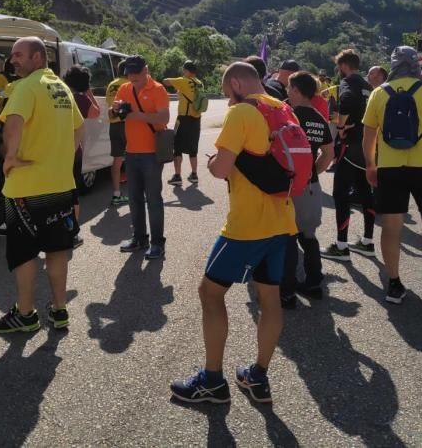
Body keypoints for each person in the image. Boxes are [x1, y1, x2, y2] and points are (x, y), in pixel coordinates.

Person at [170, 62, 296, 405]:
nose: (227, 101)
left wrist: (212, 162)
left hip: (246, 227)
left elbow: (222, 168)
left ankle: (212, 381)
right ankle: (257, 376)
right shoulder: (283, 109)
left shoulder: (242, 112)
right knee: (270, 298)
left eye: (227, 94)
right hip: (282, 221)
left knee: (209, 293)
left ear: (238, 83)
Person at [0, 37, 84, 334]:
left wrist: (10, 157)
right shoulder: (63, 88)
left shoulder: (27, 87)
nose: (13, 60)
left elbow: (13, 122)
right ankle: (59, 310)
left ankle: (26, 315)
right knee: (57, 251)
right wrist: (61, 158)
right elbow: (79, 128)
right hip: (60, 185)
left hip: (26, 189)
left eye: (19, 55)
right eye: (13, 55)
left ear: (38, 57)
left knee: (25, 254)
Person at [363, 46, 422, 304]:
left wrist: (371, 165)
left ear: (392, 65)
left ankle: (394, 284)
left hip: (390, 169)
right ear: (416, 64)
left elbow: (368, 137)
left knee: (391, 228)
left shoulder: (379, 94)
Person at [280, 71, 334, 309]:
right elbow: (329, 153)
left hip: (288, 186)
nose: (286, 92)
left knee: (287, 236)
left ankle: (287, 292)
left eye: (289, 88)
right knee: (308, 236)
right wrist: (313, 173)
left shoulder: (286, 115)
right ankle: (313, 282)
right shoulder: (318, 118)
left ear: (296, 90)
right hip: (311, 186)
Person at [321, 49, 376, 260]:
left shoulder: (348, 83)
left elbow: (346, 101)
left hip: (350, 145)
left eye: (338, 66)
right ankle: (367, 241)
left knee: (341, 194)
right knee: (365, 193)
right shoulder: (367, 86)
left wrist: (341, 126)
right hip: (367, 147)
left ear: (344, 65)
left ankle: (341, 245)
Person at [114, 55, 170, 261]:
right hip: (132, 151)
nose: (132, 75)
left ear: (146, 70)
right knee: (135, 199)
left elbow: (164, 117)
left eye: (136, 71)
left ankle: (157, 243)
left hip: (152, 154)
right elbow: (116, 111)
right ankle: (139, 238)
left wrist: (136, 115)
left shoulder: (158, 89)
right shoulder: (124, 88)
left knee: (153, 199)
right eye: (129, 72)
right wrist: (117, 110)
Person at [63, 64, 100, 248]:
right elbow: (96, 113)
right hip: (72, 153)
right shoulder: (80, 99)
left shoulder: (58, 95)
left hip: (52, 152)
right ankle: (72, 233)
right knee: (72, 195)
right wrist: (88, 92)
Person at [163, 60, 204, 186]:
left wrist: (178, 83)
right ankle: (194, 174)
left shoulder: (183, 81)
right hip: (196, 120)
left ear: (186, 70)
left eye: (183, 70)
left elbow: (165, 81)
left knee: (178, 147)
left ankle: (177, 176)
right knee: (193, 149)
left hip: (183, 119)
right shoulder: (200, 83)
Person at [106, 61, 129, 206]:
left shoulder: (111, 85)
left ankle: (116, 194)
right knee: (134, 159)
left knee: (117, 160)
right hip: (128, 126)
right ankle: (137, 194)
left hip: (114, 126)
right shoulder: (128, 85)